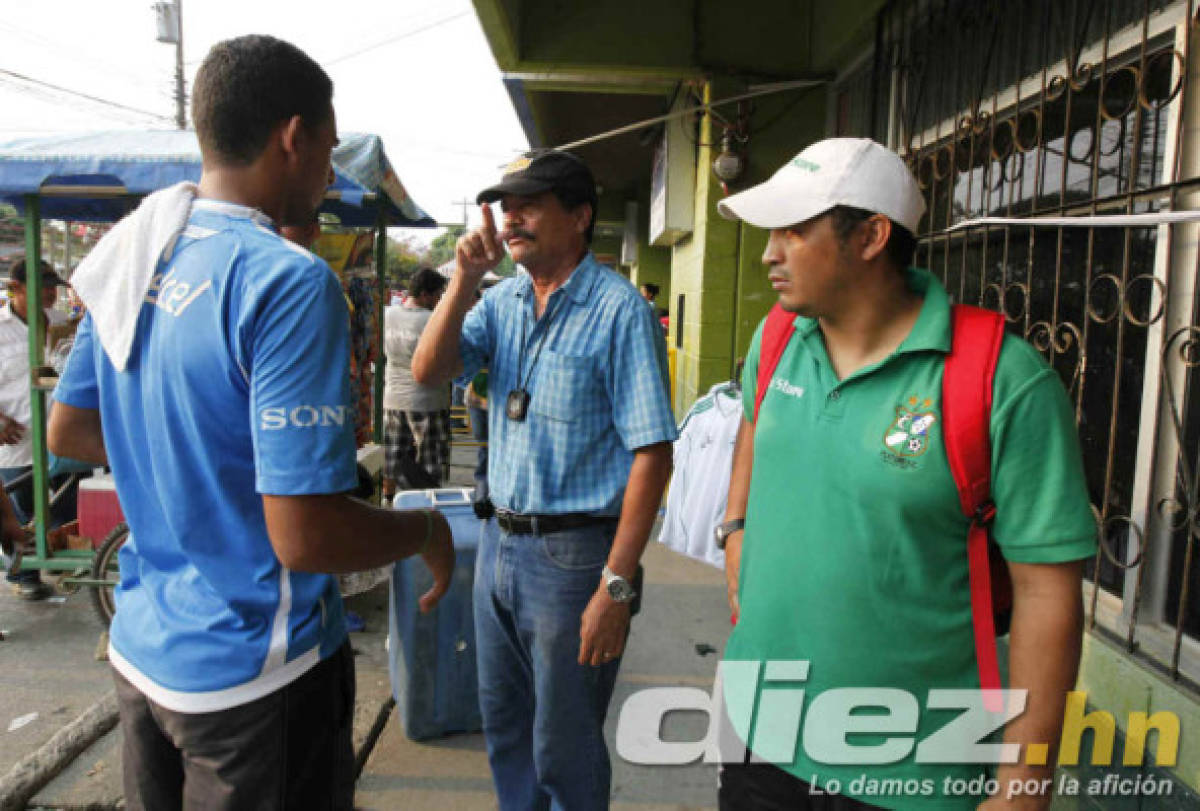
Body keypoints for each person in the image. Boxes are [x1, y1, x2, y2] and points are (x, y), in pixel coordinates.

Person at [48, 35, 454, 811]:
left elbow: (69, 429)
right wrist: (422, 532)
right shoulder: (286, 280)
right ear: (292, 136)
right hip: (254, 677)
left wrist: (194, 456)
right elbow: (305, 537)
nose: (330, 174)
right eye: (329, 150)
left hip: (145, 651)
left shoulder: (136, 251)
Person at [715, 138, 1097, 810]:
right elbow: (755, 426)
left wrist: (1023, 785)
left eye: (794, 230)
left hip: (915, 769)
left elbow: (1047, 594)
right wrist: (736, 525)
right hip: (758, 734)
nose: (770, 252)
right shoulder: (776, 339)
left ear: (870, 236)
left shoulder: (1001, 381)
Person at [412, 149, 677, 810]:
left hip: (575, 556)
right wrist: (464, 278)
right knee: (504, 728)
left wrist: (616, 585)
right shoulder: (498, 303)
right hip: (500, 540)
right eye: (506, 204)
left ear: (581, 216)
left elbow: (653, 453)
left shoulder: (620, 313)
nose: (511, 217)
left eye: (530, 202)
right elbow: (429, 370)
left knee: (564, 743)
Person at [0, 256, 66, 600]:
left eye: (54, 288)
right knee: (18, 512)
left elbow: (49, 374)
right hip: (16, 440)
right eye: (42, 288)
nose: (51, 295)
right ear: (16, 288)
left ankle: (55, 556)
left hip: (57, 435)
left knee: (62, 504)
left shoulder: (59, 323)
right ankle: (23, 575)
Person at [381, 266, 450, 502]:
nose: (439, 299)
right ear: (425, 295)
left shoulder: (387, 315)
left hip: (393, 397)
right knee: (430, 461)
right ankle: (428, 510)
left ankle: (388, 502)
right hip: (427, 400)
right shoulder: (433, 320)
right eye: (437, 294)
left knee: (392, 455)